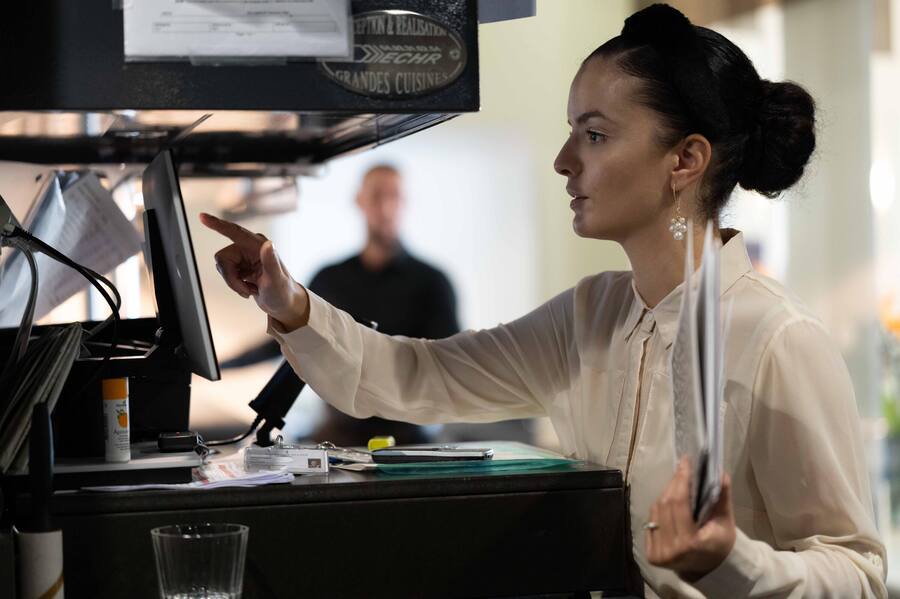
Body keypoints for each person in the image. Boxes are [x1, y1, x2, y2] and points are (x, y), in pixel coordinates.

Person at [200, 4, 886, 597]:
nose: (564, 160)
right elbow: (419, 375)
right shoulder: (591, 315)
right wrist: (287, 298)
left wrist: (732, 562)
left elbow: (856, 574)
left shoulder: (779, 340)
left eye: (593, 134)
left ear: (685, 160)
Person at [222, 164, 460, 446]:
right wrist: (218, 365)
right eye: (376, 196)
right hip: (337, 435)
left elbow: (448, 362)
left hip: (409, 441)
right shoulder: (329, 278)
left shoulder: (433, 282)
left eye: (393, 196)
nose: (385, 207)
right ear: (360, 201)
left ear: (404, 203)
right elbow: (288, 339)